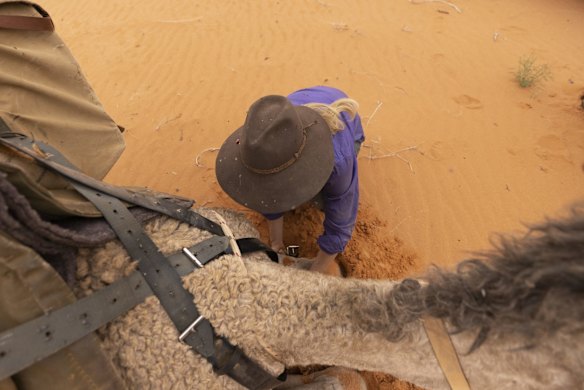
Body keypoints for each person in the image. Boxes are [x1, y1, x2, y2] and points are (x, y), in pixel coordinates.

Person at [215, 86, 364, 276]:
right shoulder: (263, 138)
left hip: (348, 131)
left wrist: (314, 274)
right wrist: (276, 243)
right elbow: (266, 191)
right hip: (309, 105)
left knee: (321, 201)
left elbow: (340, 224)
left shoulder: (339, 159)